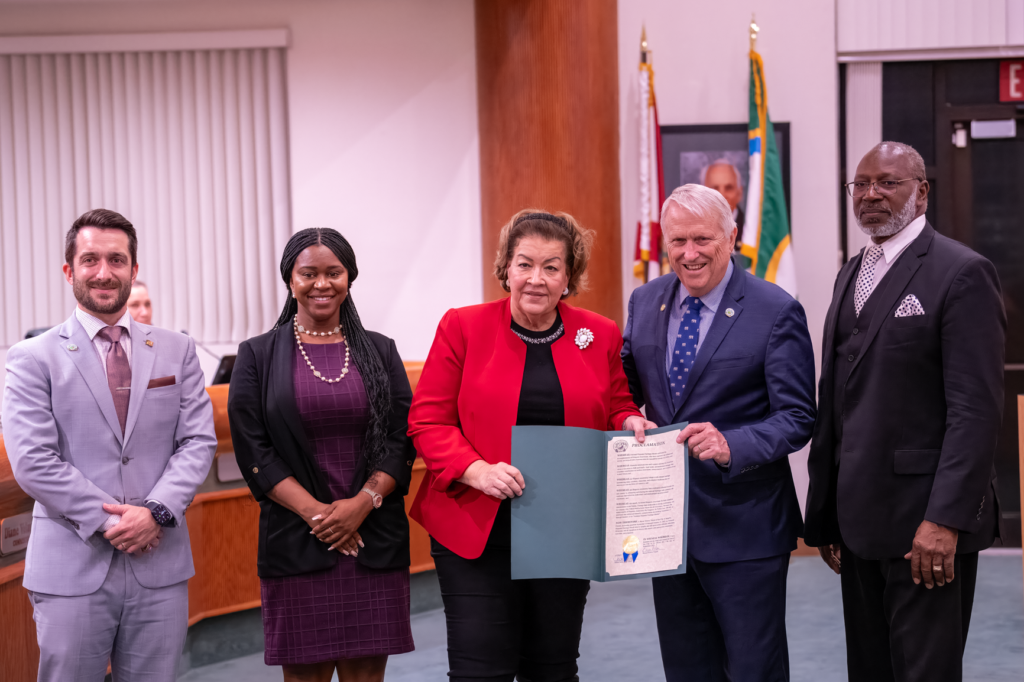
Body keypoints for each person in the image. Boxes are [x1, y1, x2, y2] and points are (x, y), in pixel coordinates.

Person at [408, 210, 653, 682]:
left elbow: (616, 403)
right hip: (477, 528)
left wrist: (629, 421)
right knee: (481, 671)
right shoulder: (462, 327)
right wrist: (474, 469)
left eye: (551, 267)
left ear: (569, 277)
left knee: (553, 668)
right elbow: (427, 420)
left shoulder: (598, 333)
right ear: (506, 269)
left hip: (563, 530)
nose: (536, 279)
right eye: (524, 264)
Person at [803, 142, 1004, 682]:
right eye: (861, 184)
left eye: (887, 182)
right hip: (857, 526)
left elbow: (975, 411)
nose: (870, 194)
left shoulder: (962, 273)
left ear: (922, 191)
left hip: (926, 530)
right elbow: (838, 401)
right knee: (869, 670)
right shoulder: (852, 273)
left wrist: (945, 520)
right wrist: (826, 514)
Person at [2, 208, 217, 682]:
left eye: (117, 260)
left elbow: (198, 441)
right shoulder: (31, 358)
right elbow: (34, 462)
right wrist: (111, 520)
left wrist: (156, 511)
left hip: (159, 563)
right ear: (69, 271)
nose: (104, 272)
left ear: (134, 269)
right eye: (90, 260)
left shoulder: (175, 349)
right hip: (73, 566)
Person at [621, 184, 816, 682]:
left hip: (745, 526)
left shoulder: (776, 310)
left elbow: (798, 415)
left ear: (731, 237)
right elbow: (623, 388)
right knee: (686, 668)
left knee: (754, 670)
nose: (689, 254)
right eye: (678, 241)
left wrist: (734, 445)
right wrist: (626, 415)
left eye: (703, 239)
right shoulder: (645, 301)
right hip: (666, 528)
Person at [228, 228, 416, 682]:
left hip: (372, 537)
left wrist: (360, 506)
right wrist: (320, 516)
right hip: (297, 539)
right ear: (289, 279)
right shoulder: (257, 356)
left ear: (349, 277)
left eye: (334, 272)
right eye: (308, 273)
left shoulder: (380, 349)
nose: (321, 284)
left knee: (366, 675)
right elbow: (253, 447)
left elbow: (401, 439)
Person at [701, 160, 745, 250]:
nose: (722, 195)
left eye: (728, 188)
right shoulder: (692, 229)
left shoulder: (754, 231)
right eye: (714, 188)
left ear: (739, 193)